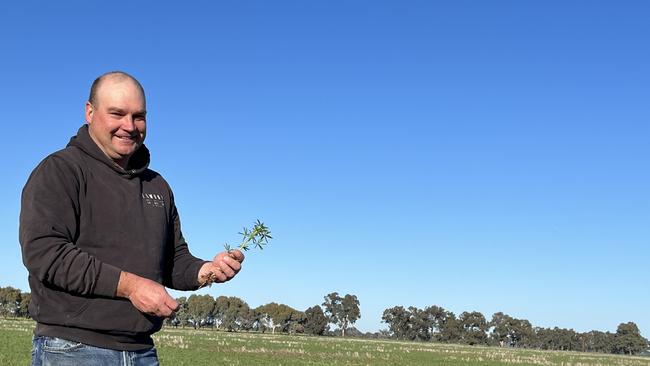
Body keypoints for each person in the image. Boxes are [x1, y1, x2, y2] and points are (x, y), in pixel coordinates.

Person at [19, 71, 244, 365]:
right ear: (90, 112)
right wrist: (132, 287)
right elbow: (45, 253)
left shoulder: (157, 186)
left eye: (139, 116)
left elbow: (173, 260)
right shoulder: (61, 171)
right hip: (72, 349)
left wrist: (207, 271)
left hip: (142, 352)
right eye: (117, 114)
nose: (129, 126)